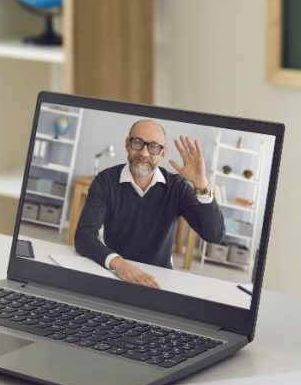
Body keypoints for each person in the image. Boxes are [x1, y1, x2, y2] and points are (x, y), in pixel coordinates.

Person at [74, 120, 225, 289]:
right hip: (114, 272)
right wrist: (118, 264)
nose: (144, 153)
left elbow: (214, 234)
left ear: (163, 153)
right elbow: (83, 236)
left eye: (153, 146)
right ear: (127, 144)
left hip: (158, 279)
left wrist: (201, 184)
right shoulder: (105, 181)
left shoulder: (177, 187)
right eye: (137, 142)